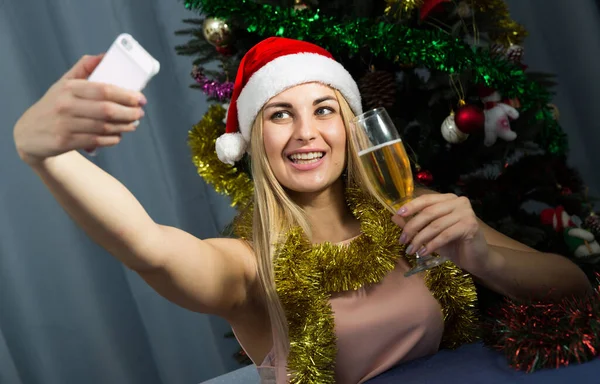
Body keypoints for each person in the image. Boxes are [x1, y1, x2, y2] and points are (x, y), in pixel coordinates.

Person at [13, 36, 592, 384]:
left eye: (323, 109)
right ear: (254, 140)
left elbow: (573, 293)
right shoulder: (249, 266)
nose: (306, 132)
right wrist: (43, 154)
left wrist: (480, 254)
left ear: (350, 126)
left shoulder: (415, 213)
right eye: (281, 114)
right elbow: (146, 245)